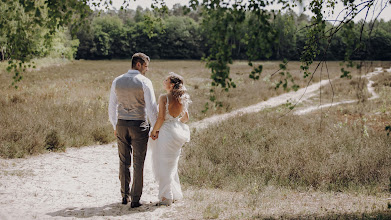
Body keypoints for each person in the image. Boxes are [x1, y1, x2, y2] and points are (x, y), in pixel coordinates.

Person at [108, 52, 158, 208]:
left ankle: (124, 196)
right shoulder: (144, 82)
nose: (147, 69)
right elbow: (151, 108)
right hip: (139, 125)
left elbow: (112, 107)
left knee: (123, 162)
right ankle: (135, 200)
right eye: (146, 66)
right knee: (138, 163)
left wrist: (115, 125)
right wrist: (155, 128)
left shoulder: (117, 81)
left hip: (122, 124)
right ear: (138, 64)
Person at [149, 72, 191, 206]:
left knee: (164, 164)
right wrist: (176, 121)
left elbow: (161, 118)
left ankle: (166, 197)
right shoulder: (182, 98)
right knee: (172, 164)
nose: (163, 81)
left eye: (166, 80)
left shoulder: (164, 97)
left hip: (166, 133)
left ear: (171, 84)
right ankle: (175, 193)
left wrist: (154, 131)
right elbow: (186, 118)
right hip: (177, 133)